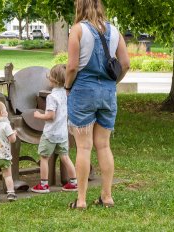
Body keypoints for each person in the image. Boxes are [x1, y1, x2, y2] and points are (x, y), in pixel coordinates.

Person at [65, 0, 130, 209]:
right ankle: (107, 196)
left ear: (79, 6)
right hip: (108, 93)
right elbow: (125, 63)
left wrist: (67, 87)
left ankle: (82, 200)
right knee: (104, 145)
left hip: (83, 91)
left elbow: (72, 67)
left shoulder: (77, 30)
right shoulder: (115, 30)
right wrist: (112, 83)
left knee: (84, 147)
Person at [31, 64, 78, 193]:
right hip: (62, 133)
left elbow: (51, 116)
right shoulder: (66, 94)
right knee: (65, 156)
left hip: (50, 134)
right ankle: (73, 183)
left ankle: (44, 185)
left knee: (44, 157)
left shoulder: (52, 97)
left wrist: (39, 115)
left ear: (53, 80)